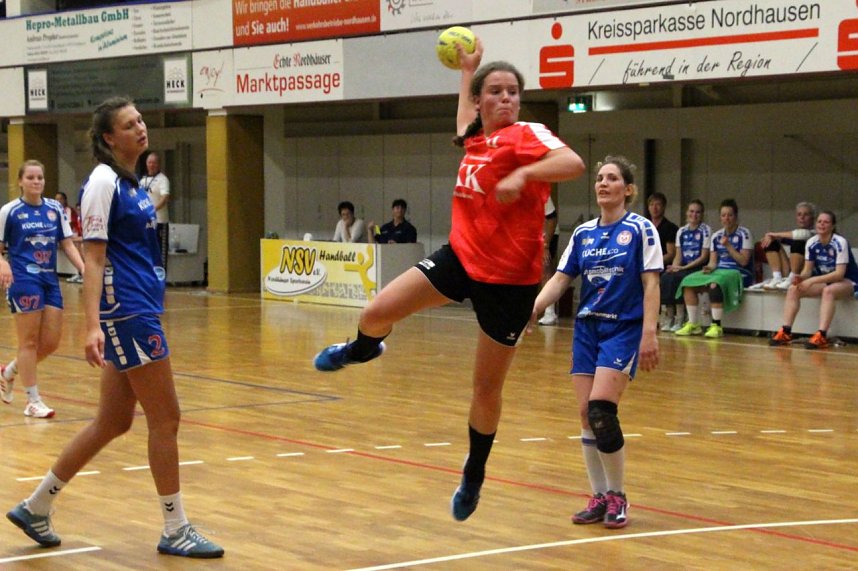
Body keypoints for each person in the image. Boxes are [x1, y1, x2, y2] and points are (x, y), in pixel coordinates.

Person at [313, 37, 585, 521]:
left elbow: (573, 164)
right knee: (375, 313)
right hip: (461, 258)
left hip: (510, 282)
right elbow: (463, 119)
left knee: (484, 390)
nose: (505, 99)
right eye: (495, 92)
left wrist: (525, 177)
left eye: (512, 92)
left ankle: (474, 473)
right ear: (482, 101)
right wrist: (468, 72)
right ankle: (361, 349)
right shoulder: (476, 136)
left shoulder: (529, 135)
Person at [6, 97, 224, 558]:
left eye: (141, 120)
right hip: (128, 312)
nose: (141, 128)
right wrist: (93, 325)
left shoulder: (132, 183)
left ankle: (36, 505)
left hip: (139, 306)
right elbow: (95, 258)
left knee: (113, 420)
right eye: (129, 125)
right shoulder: (104, 183)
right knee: (166, 418)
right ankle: (175, 527)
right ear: (109, 138)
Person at [530, 155, 661, 529]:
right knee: (587, 415)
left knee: (603, 409)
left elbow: (651, 283)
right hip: (586, 331)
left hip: (623, 329)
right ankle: (599, 495)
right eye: (600, 178)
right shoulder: (584, 234)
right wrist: (534, 309)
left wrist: (649, 334)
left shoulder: (640, 229)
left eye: (612, 178)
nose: (603, 184)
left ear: (628, 189)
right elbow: (560, 279)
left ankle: (618, 494)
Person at [0, 161, 85, 417]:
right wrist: (3, 263)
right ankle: (32, 400)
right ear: (20, 182)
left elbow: (67, 243)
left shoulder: (54, 209)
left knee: (50, 343)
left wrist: (84, 269)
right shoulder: (10, 211)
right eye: (31, 177)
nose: (36, 182)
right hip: (23, 279)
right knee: (29, 341)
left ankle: (8, 372)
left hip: (50, 278)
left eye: (40, 177)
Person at [770, 210, 858, 349]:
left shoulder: (840, 242)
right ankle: (786, 332)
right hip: (824, 280)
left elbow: (839, 274)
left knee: (829, 291)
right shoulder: (811, 242)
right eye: (819, 221)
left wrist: (811, 280)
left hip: (848, 281)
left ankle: (822, 334)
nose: (822, 224)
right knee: (794, 289)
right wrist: (801, 277)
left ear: (833, 226)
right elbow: (807, 270)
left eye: (826, 222)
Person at [674, 198, 754, 338]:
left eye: (729, 215)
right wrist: (708, 268)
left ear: (735, 216)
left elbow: (744, 261)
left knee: (714, 285)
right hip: (719, 272)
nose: (726, 218)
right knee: (688, 282)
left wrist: (728, 245)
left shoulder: (744, 234)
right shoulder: (716, 236)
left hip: (738, 272)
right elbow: (712, 262)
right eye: (723, 215)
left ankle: (716, 325)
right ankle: (693, 324)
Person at [659, 200, 711, 331]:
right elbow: (678, 255)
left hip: (698, 267)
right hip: (683, 267)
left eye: (698, 212)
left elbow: (704, 256)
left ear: (702, 214)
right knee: (666, 277)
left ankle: (681, 318)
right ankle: (669, 317)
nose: (694, 214)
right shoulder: (681, 231)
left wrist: (682, 268)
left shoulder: (705, 230)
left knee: (681, 278)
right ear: (687, 213)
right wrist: (674, 267)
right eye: (692, 211)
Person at [747, 201, 816, 291]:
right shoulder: (792, 235)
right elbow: (783, 237)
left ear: (813, 218)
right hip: (788, 271)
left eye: (806, 214)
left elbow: (802, 234)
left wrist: (774, 235)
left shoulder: (815, 233)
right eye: (799, 214)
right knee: (771, 242)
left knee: (798, 243)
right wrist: (771, 237)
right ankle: (777, 277)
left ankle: (792, 277)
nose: (802, 217)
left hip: (805, 274)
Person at [139, 151, 170, 272]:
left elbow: (165, 197)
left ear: (158, 164)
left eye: (154, 163)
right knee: (146, 249)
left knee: (160, 251)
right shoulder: (142, 180)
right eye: (149, 162)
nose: (151, 165)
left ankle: (161, 278)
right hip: (146, 222)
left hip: (160, 221)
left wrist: (153, 209)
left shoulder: (163, 179)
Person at [537, 195, 560, 326]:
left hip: (547, 233)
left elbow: (552, 219)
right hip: (528, 233)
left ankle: (550, 311)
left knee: (544, 267)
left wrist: (546, 246)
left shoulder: (540, 191)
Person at [56, 191, 84, 284]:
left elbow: (71, 227)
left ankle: (81, 271)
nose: (59, 201)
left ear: (65, 200)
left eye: (61, 199)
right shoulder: (53, 210)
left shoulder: (69, 211)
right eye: (57, 199)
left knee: (79, 245)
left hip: (71, 235)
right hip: (63, 236)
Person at [646, 192, 679, 267]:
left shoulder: (671, 228)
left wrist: (652, 263)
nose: (654, 208)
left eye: (658, 205)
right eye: (651, 205)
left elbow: (671, 254)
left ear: (664, 207)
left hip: (662, 266)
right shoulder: (644, 226)